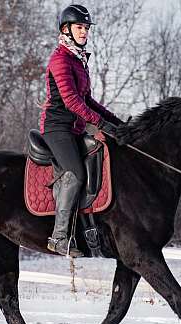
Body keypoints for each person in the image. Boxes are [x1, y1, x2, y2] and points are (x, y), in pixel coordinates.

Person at [39, 4, 123, 257]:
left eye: (86, 28)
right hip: (56, 128)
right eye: (79, 27)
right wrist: (100, 123)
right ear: (66, 30)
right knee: (75, 173)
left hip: (73, 128)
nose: (84, 32)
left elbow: (87, 100)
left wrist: (116, 122)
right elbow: (71, 102)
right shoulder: (60, 60)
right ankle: (60, 237)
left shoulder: (78, 60)